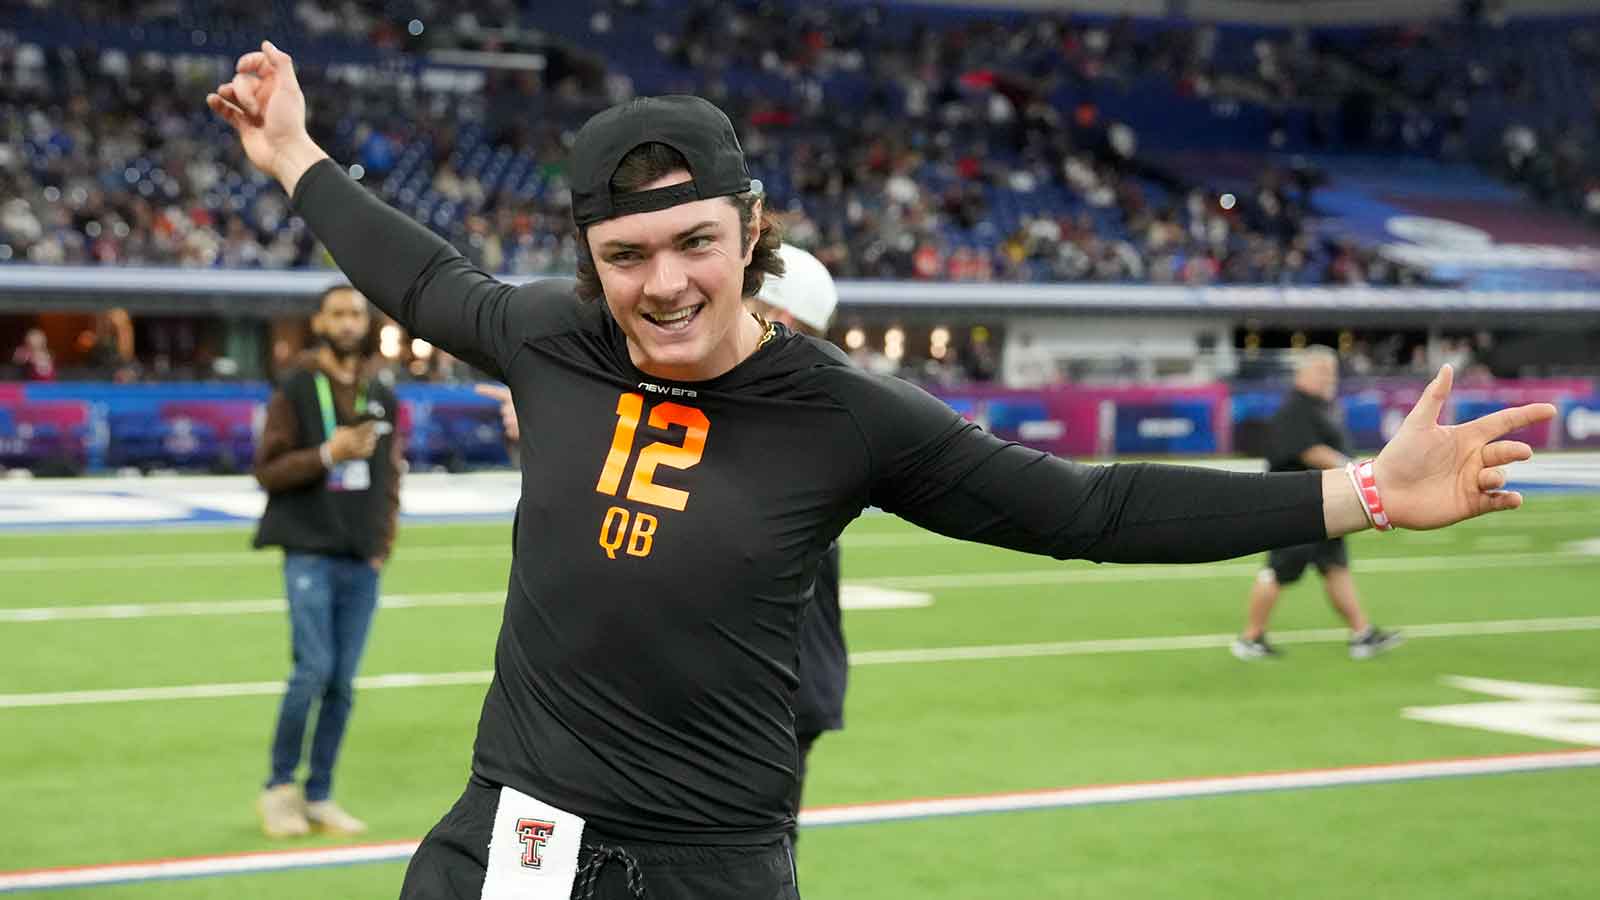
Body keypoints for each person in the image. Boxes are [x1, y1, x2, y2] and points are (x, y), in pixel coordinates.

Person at [209, 44, 1553, 899]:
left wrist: (1366, 493)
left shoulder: (846, 412)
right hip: (518, 834)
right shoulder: (550, 337)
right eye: (626, 257)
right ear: (588, 260)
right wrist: (291, 154)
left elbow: (1084, 509)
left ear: (748, 231)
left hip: (707, 870)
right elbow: (420, 269)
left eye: (691, 243)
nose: (663, 283)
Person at [478, 243, 851, 857]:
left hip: (754, 695)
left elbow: (700, 491)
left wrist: (574, 423)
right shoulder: (789, 401)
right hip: (744, 688)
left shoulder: (801, 411)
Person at [251, 283, 403, 839]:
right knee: (311, 672)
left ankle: (320, 794)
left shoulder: (381, 389)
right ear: (319, 321)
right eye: (337, 313)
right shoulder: (295, 383)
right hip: (310, 551)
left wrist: (384, 541)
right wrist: (326, 455)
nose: (347, 322)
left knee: (342, 683)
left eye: (356, 313)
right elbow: (266, 469)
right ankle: (278, 789)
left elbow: (391, 472)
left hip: (361, 557)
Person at [1231, 347, 1400, 661]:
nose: (1329, 378)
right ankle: (1250, 638)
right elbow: (1310, 452)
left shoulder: (1321, 407)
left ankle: (1362, 634)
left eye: (1332, 372)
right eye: (1322, 371)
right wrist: (1355, 469)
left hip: (1326, 504)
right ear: (1302, 373)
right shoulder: (1296, 409)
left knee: (1336, 567)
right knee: (1277, 571)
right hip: (1296, 505)